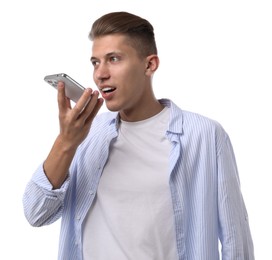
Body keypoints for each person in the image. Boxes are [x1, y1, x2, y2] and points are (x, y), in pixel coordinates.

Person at [23, 11, 254, 260]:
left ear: (149, 64)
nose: (100, 74)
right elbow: (37, 213)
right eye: (95, 62)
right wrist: (66, 142)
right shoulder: (86, 134)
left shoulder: (204, 135)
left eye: (113, 59)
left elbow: (235, 239)